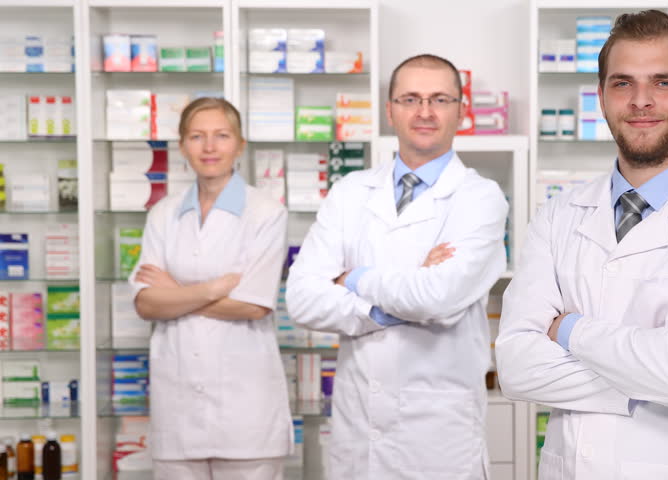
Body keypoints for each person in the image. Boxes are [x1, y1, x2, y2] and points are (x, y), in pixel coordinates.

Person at [495, 10, 668, 479]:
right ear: (602, 97)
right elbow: (516, 368)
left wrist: (568, 330)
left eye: (664, 82)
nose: (641, 100)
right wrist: (652, 378)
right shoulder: (559, 214)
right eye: (623, 83)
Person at [286, 54, 508, 479]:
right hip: (357, 431)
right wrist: (381, 309)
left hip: (437, 440)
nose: (424, 112)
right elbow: (301, 297)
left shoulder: (479, 198)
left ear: (462, 112)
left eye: (440, 99)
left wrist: (352, 278)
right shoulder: (351, 192)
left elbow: (437, 297)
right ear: (389, 110)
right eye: (410, 99)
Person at [129, 97, 292, 480]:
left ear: (240, 144)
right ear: (182, 145)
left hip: (245, 411)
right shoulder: (164, 213)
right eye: (197, 136)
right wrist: (214, 289)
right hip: (178, 404)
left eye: (221, 135)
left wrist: (176, 290)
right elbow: (146, 302)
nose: (209, 147)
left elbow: (253, 306)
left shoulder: (266, 212)